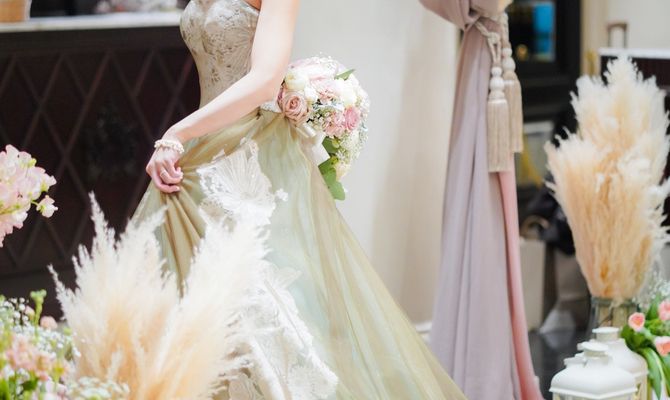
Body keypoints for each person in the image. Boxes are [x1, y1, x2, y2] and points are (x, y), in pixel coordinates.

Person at [133, 0, 467, 398]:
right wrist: (186, 138)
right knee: (193, 309)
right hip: (199, 153)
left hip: (252, 153)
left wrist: (178, 133)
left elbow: (264, 81)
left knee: (264, 307)